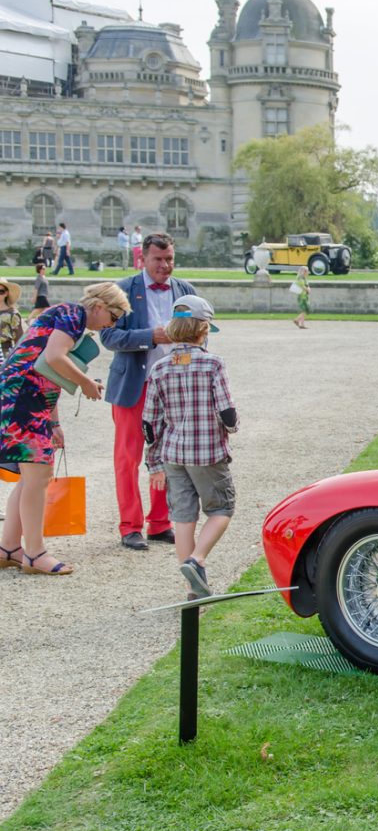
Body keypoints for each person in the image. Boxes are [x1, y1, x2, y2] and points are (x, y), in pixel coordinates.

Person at [0, 283, 130, 576]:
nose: (113, 323)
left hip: (25, 397)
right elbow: (55, 357)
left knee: (31, 475)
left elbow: (46, 370)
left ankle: (9, 547)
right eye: (114, 315)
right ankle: (34, 553)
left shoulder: (67, 315)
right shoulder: (74, 315)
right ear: (98, 306)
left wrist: (53, 421)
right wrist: (85, 382)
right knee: (38, 474)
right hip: (22, 398)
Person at [100, 232, 198, 551]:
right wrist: (150, 337)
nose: (165, 265)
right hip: (134, 386)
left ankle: (160, 522)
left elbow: (201, 335)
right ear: (143, 258)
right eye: (158, 259)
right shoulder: (123, 290)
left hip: (172, 388)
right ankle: (130, 526)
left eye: (169, 259)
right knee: (128, 458)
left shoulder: (186, 291)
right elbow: (109, 337)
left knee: (169, 455)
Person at [142, 295, 238, 599]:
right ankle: (196, 561)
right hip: (207, 452)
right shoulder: (212, 364)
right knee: (222, 508)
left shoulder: (159, 368)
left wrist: (153, 462)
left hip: (173, 454)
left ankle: (192, 588)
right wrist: (233, 428)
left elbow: (149, 423)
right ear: (203, 328)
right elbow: (227, 412)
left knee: (183, 516)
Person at [0, 279, 25, 361]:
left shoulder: (13, 314)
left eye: (1, 292)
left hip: (4, 354)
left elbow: (19, 339)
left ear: (6, 293)